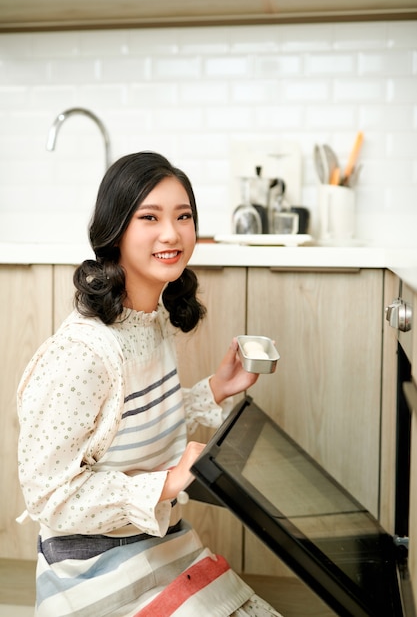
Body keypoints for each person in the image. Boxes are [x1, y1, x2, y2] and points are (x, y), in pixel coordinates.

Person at [17, 151, 283, 617]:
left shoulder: (149, 319)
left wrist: (215, 390)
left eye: (184, 217)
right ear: (115, 230)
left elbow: (125, 419)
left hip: (162, 542)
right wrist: (167, 482)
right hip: (92, 573)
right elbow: (50, 500)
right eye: (150, 217)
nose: (172, 233)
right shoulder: (81, 353)